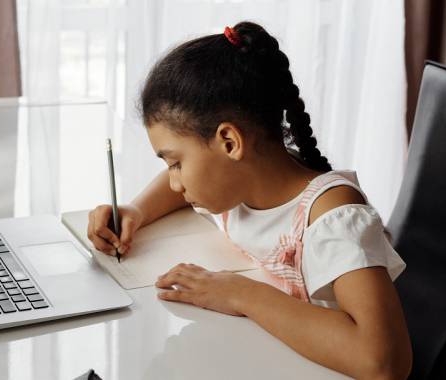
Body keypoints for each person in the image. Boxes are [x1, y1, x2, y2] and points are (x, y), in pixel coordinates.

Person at [87, 21, 412, 379]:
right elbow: (172, 185)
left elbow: (384, 362)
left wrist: (243, 295)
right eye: (170, 165)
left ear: (229, 142)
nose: (176, 183)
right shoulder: (241, 180)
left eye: (177, 163)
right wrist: (137, 209)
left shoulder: (331, 219)